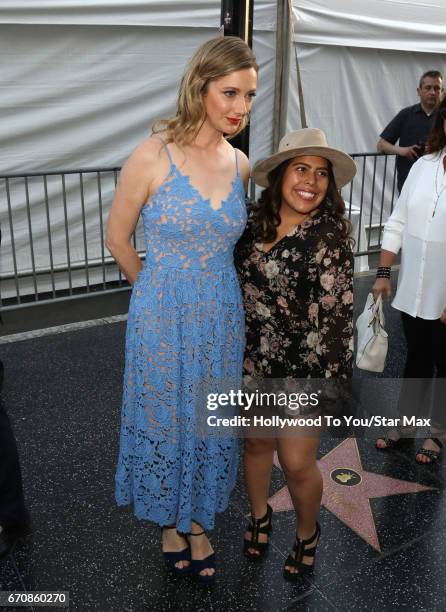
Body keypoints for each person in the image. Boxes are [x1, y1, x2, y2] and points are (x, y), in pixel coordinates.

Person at [106, 36, 258, 584]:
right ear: (200, 87)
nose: (240, 108)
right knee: (166, 421)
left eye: (248, 96)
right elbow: (118, 238)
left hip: (222, 314)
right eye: (230, 93)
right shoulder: (154, 153)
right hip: (162, 316)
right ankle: (172, 522)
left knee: (209, 421)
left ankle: (197, 521)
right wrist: (152, 294)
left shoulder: (240, 163)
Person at [235, 128, 356, 580]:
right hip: (253, 360)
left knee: (298, 461)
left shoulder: (329, 237)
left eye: (321, 173)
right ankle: (259, 516)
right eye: (301, 168)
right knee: (256, 444)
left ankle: (307, 534)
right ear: (280, 175)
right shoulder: (248, 222)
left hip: (307, 368)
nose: (311, 180)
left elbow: (338, 324)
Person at [374, 96, 446, 464]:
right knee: (416, 359)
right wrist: (384, 272)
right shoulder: (423, 166)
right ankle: (404, 425)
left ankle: (436, 434)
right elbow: (398, 220)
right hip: (414, 286)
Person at [377, 70, 443, 192]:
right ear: (419, 91)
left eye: (437, 88)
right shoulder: (406, 114)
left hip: (438, 184)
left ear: (442, 92)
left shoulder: (444, 117)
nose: (432, 92)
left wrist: (436, 149)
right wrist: (403, 151)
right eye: (428, 88)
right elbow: (381, 145)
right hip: (408, 182)